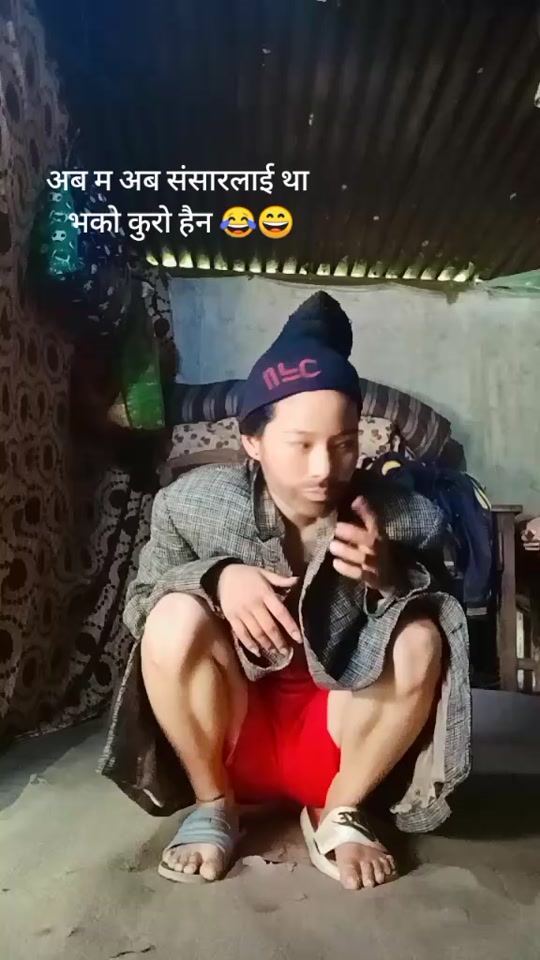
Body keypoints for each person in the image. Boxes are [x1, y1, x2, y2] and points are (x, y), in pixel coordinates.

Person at [99, 291, 471, 891]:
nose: (324, 468)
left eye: (344, 444)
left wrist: (390, 577)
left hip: (344, 744)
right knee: (171, 617)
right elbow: (140, 605)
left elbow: (453, 626)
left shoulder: (406, 516)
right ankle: (213, 806)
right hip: (231, 737)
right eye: (300, 444)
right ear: (253, 441)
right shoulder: (190, 504)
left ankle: (340, 813)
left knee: (422, 637)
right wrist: (216, 577)